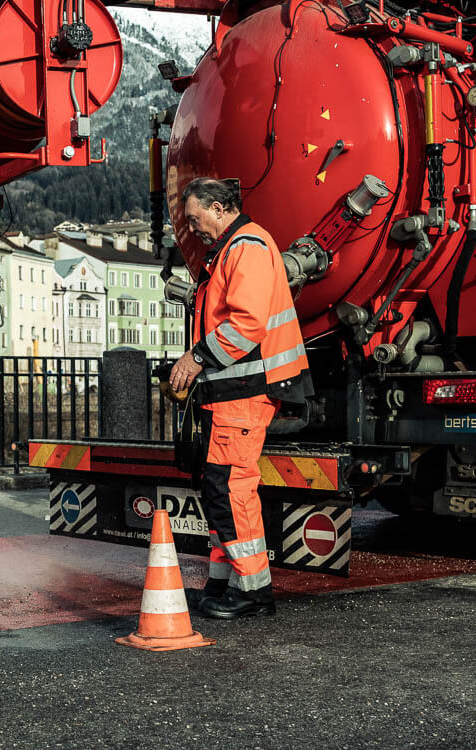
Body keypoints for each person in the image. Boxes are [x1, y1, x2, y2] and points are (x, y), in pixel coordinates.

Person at [168, 178, 313, 619]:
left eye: (195, 219)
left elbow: (246, 325)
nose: (193, 229)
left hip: (244, 394)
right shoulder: (234, 249)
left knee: (231, 489)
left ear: (218, 207)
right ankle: (225, 581)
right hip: (231, 393)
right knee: (219, 490)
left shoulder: (246, 247)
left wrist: (195, 360)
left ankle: (252, 590)